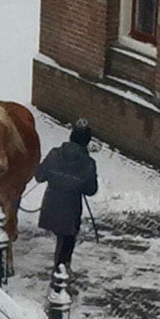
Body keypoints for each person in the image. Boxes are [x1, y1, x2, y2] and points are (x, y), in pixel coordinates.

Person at [34, 119, 98, 281]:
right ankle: (60, 273)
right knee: (67, 238)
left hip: (50, 205)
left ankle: (60, 268)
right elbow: (91, 190)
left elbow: (39, 176)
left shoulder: (55, 153)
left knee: (62, 238)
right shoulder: (88, 163)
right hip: (70, 209)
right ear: (87, 142)